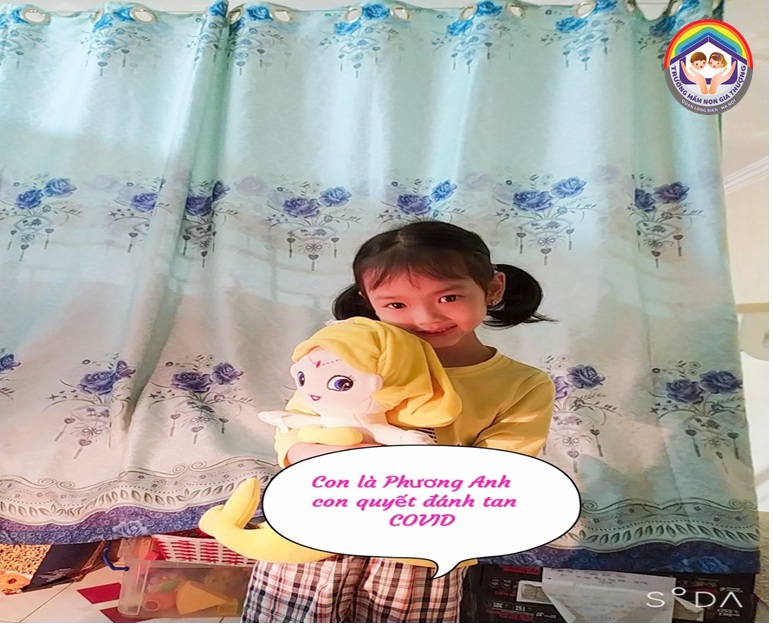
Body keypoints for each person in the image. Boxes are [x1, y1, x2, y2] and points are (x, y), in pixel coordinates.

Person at [241, 220, 556, 623]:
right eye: (396, 305)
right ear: (369, 302)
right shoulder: (349, 356)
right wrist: (308, 454)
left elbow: (503, 472)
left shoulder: (523, 383)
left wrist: (390, 472)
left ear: (493, 288)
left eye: (449, 296)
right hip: (317, 526)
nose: (424, 317)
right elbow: (297, 425)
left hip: (421, 547)